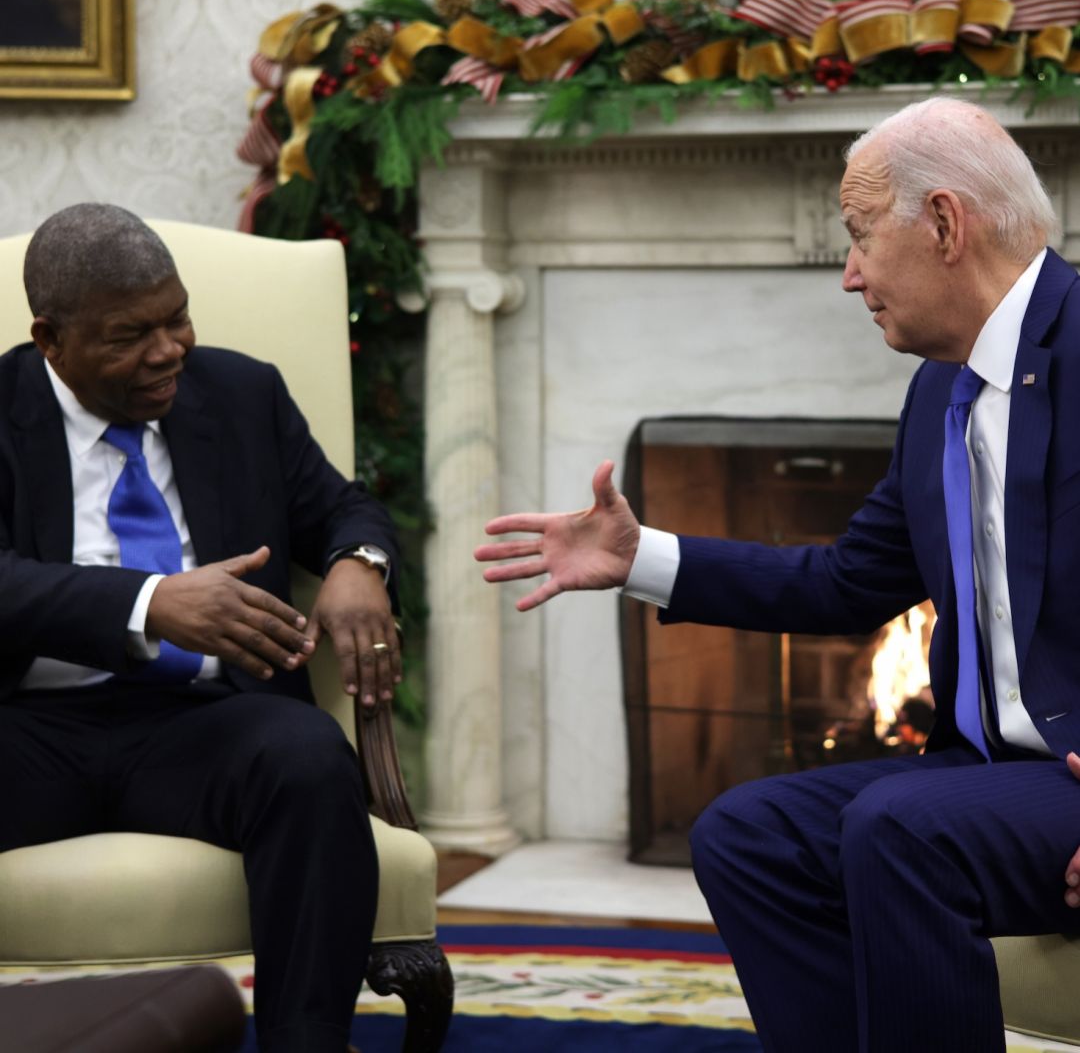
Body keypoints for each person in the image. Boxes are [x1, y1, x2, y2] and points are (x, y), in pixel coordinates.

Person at [474, 97, 1080, 1052]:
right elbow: (845, 582)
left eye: (860, 237)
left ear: (945, 225)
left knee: (897, 826)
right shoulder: (940, 393)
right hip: (985, 781)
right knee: (745, 833)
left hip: (1069, 782)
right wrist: (642, 559)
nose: (848, 275)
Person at [0, 203, 402, 1053]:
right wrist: (149, 603)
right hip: (26, 729)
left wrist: (358, 562)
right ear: (51, 340)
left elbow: (343, 506)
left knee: (307, 758)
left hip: (203, 727)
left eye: (177, 316)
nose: (167, 349)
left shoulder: (241, 393)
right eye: (127, 336)